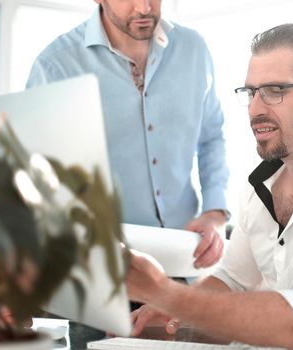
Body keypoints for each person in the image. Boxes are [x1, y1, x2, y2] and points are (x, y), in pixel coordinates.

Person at [125, 23, 293, 349]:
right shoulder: (259, 186)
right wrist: (170, 313)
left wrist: (166, 293)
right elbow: (233, 281)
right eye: (251, 92)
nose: (255, 109)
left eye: (275, 91)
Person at [26, 0, 229, 268]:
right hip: (103, 269)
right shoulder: (56, 67)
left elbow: (211, 137)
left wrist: (215, 211)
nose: (144, 8)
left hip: (185, 258)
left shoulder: (194, 50)